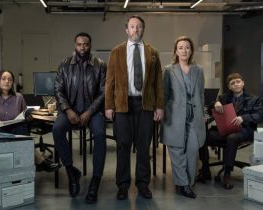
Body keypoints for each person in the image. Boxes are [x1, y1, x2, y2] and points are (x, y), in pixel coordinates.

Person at [105, 15, 164, 200]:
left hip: (145, 105)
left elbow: (158, 83)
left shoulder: (152, 52)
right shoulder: (117, 51)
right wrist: (109, 105)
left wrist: (159, 106)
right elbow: (109, 82)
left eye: (139, 27)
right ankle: (122, 185)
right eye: (132, 27)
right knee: (123, 146)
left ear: (143, 29)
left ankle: (143, 185)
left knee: (144, 146)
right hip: (123, 105)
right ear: (126, 30)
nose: (135, 30)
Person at [52, 32, 107, 203]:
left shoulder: (100, 65)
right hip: (70, 111)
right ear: (74, 45)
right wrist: (67, 110)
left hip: (93, 111)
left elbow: (104, 92)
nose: (82, 48)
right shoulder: (65, 64)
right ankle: (71, 172)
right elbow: (58, 90)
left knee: (100, 135)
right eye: (79, 44)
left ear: (90, 45)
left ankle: (95, 182)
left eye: (86, 44)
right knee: (57, 129)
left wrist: (90, 112)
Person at [199, 72, 263, 189]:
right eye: (232, 83)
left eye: (238, 82)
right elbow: (210, 110)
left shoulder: (254, 99)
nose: (236, 84)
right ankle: (205, 169)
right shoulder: (224, 98)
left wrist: (243, 118)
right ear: (229, 87)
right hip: (225, 129)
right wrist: (215, 103)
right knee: (203, 135)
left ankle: (227, 173)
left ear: (243, 83)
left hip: (243, 130)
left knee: (232, 138)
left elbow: (260, 116)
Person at [161, 36, 206, 199]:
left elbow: (201, 94)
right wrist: (160, 112)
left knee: (193, 150)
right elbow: (164, 94)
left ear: (191, 50)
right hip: (174, 115)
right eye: (180, 47)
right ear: (176, 51)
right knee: (177, 150)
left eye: (187, 47)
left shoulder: (198, 70)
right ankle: (183, 185)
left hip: (194, 116)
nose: (184, 50)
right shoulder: (168, 70)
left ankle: (187, 181)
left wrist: (203, 114)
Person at [0, 70, 61, 172]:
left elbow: (25, 113)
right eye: (3, 79)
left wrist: (28, 116)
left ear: (13, 82)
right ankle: (41, 162)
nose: (7, 82)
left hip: (15, 128)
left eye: (10, 79)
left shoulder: (19, 97)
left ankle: (36, 163)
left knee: (21, 129)